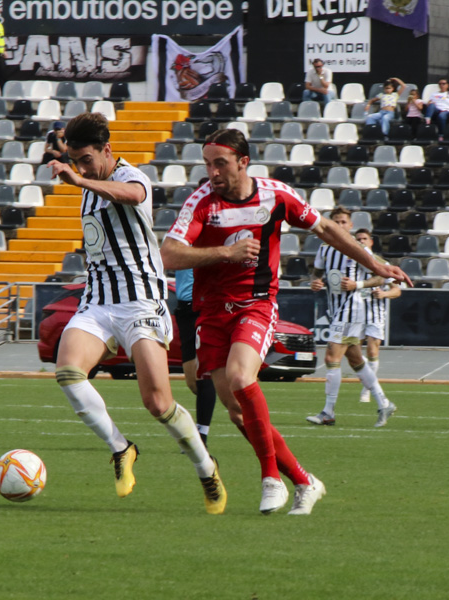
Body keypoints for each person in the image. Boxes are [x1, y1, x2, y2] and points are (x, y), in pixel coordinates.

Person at [160, 128, 412, 515]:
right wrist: (227, 252)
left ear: (244, 162)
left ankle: (270, 477)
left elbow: (327, 229)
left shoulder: (276, 195)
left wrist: (376, 263)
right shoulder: (201, 202)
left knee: (243, 378)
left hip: (255, 305)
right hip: (211, 314)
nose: (212, 172)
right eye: (207, 164)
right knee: (236, 409)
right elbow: (170, 255)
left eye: (220, 163)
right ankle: (304, 481)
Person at [46, 112, 226, 514]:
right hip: (97, 302)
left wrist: (80, 180)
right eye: (76, 161)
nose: (81, 168)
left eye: (88, 159)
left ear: (107, 150)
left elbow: (132, 195)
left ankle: (205, 467)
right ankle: (121, 448)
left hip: (141, 302)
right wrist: (80, 177)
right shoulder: (87, 182)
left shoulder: (133, 176)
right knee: (68, 372)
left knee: (158, 403)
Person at [306, 215, 397, 428]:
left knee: (331, 356)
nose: (338, 226)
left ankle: (328, 412)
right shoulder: (325, 248)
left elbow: (382, 277)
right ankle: (384, 403)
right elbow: (316, 273)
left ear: (350, 226)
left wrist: (358, 284)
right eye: (335, 222)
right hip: (337, 309)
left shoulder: (359, 249)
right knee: (356, 360)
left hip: (352, 308)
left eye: (343, 223)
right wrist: (316, 282)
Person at [353, 229, 403, 407]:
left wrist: (384, 294)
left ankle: (367, 390)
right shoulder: (352, 264)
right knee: (355, 352)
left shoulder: (382, 263)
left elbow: (397, 290)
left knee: (373, 350)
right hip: (356, 310)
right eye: (358, 239)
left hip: (375, 312)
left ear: (371, 242)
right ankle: (370, 382)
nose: (361, 242)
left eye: (364, 239)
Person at [173, 267, 218, 447]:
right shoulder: (178, 240)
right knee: (192, 382)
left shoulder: (205, 242)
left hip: (203, 307)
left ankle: (201, 435)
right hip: (184, 310)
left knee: (202, 374)